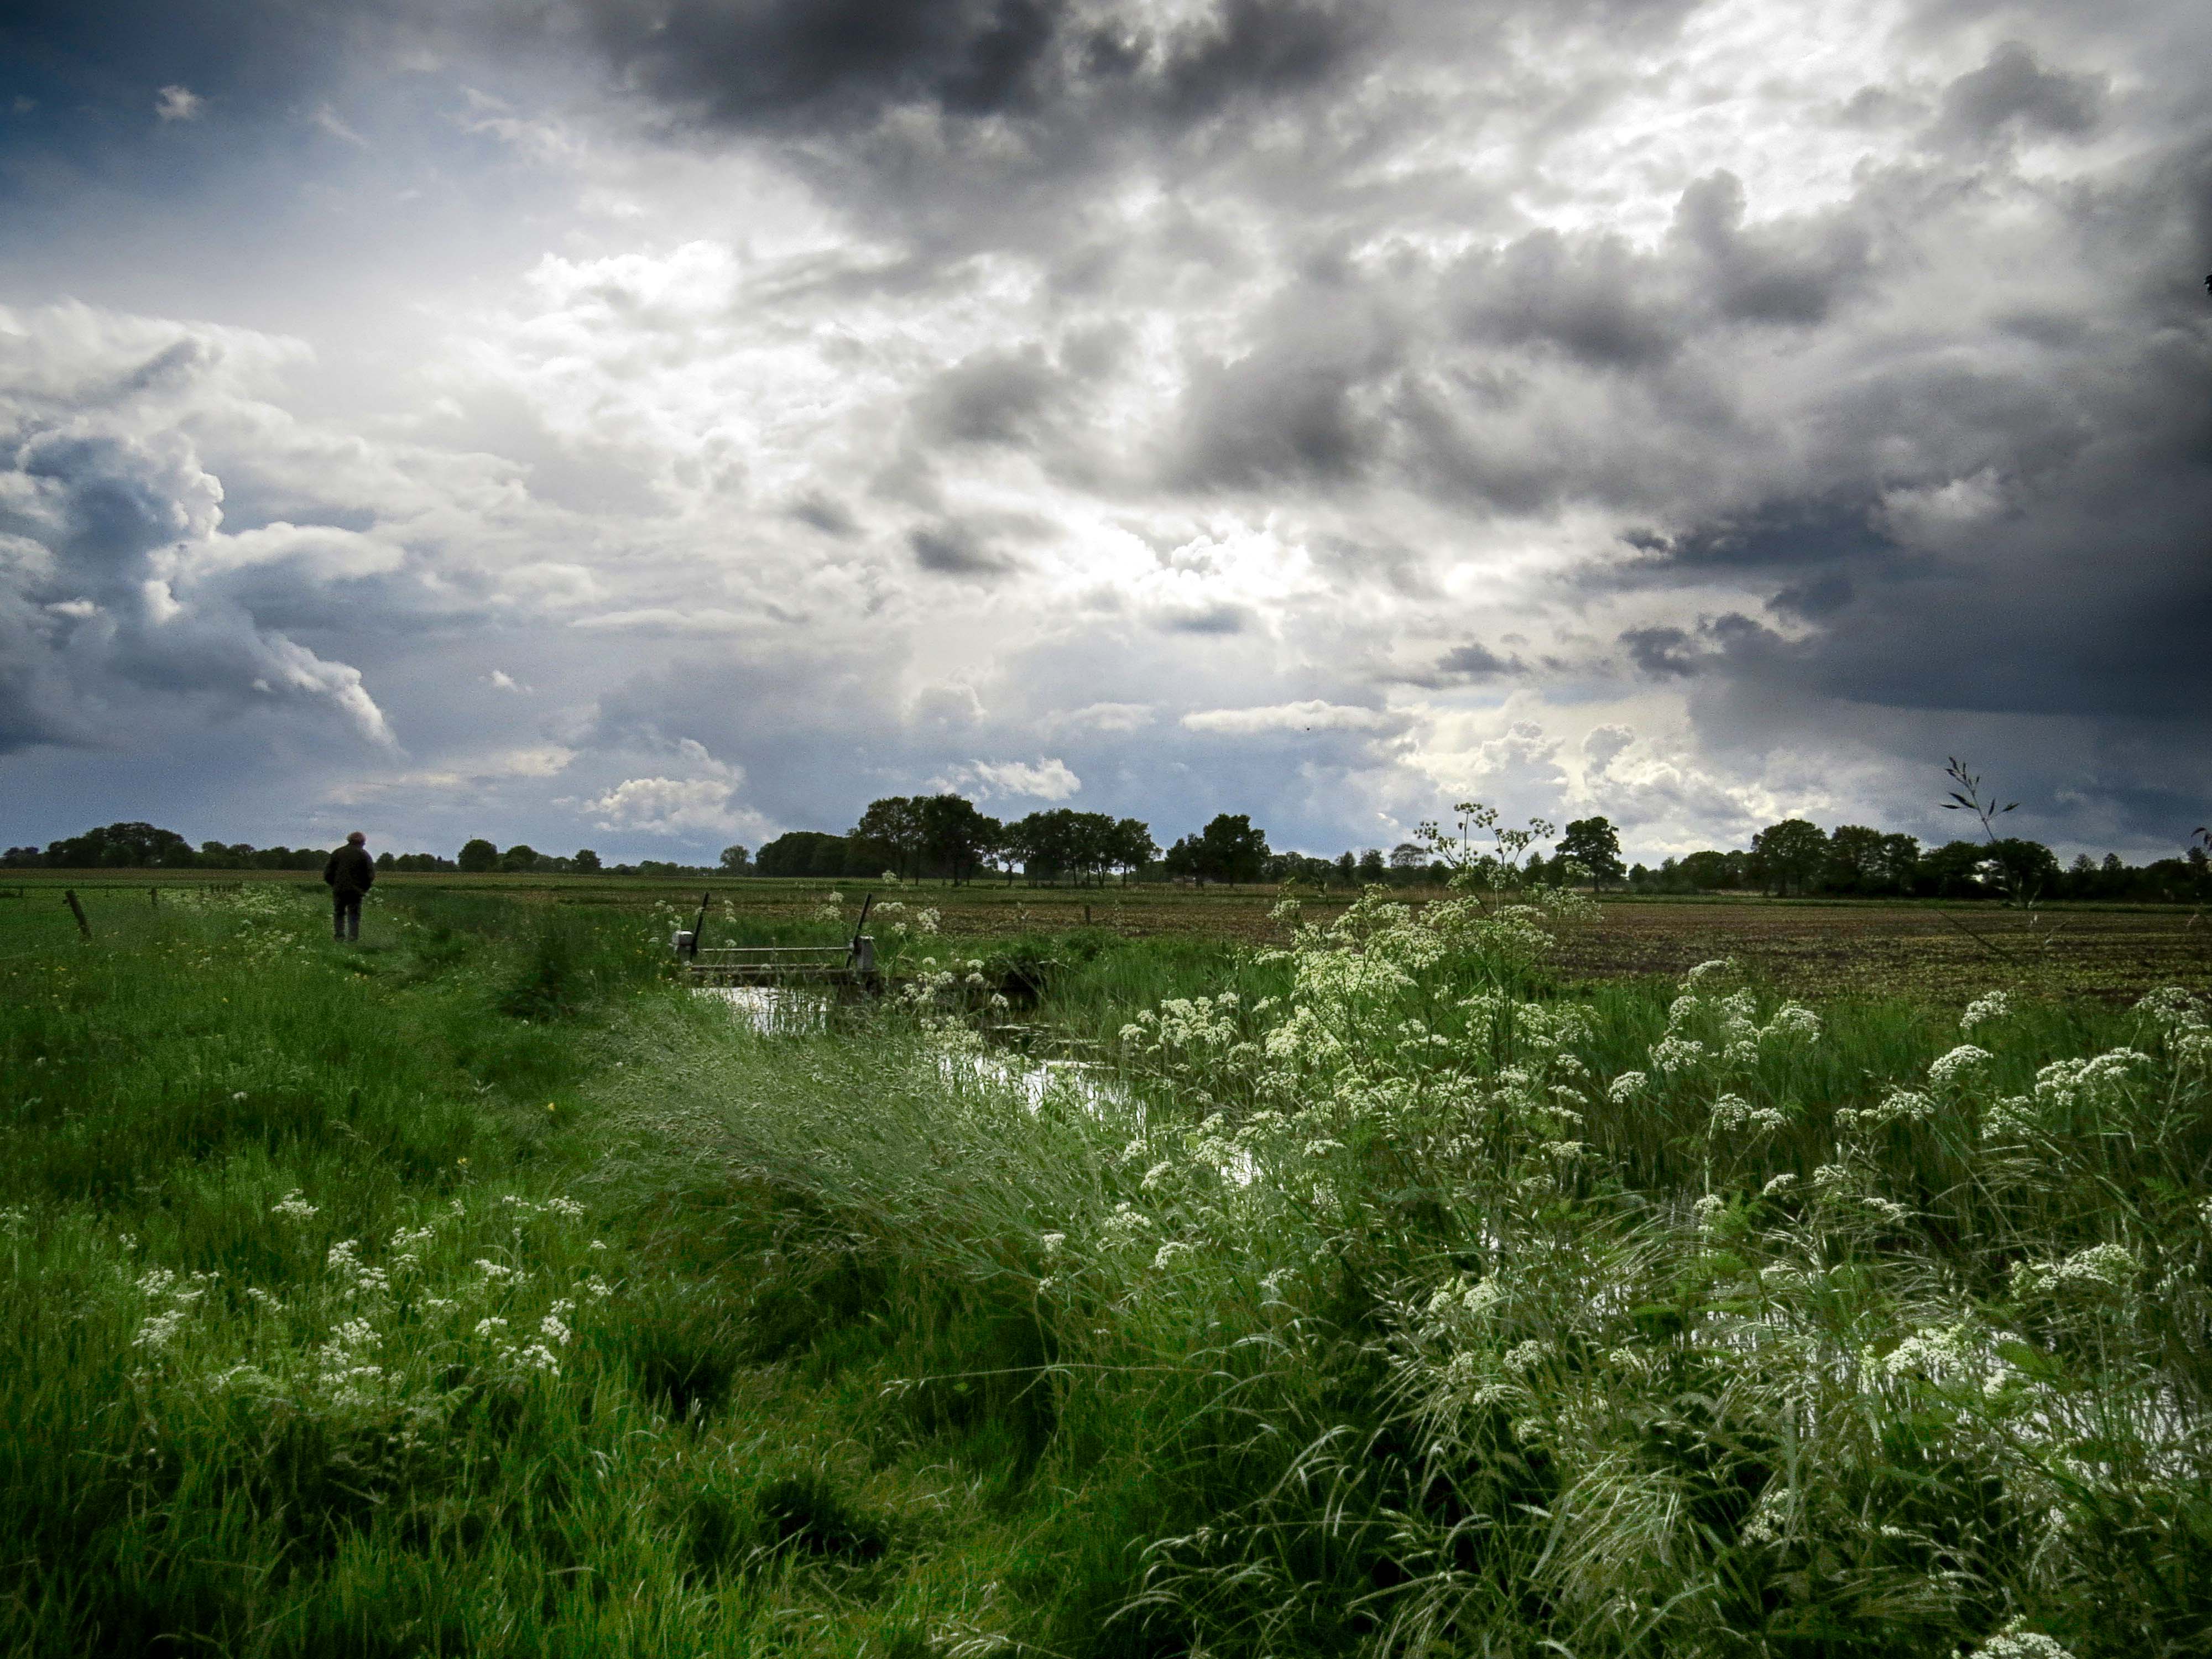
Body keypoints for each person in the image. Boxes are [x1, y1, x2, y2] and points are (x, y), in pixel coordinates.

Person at [323, 831, 374, 942]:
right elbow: (370, 875)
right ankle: (353, 938)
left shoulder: (337, 853)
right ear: (362, 842)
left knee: (339, 913)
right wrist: (364, 889)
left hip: (339, 889)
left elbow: (327, 874)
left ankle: (339, 937)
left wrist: (335, 885)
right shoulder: (364, 855)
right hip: (356, 891)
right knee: (354, 914)